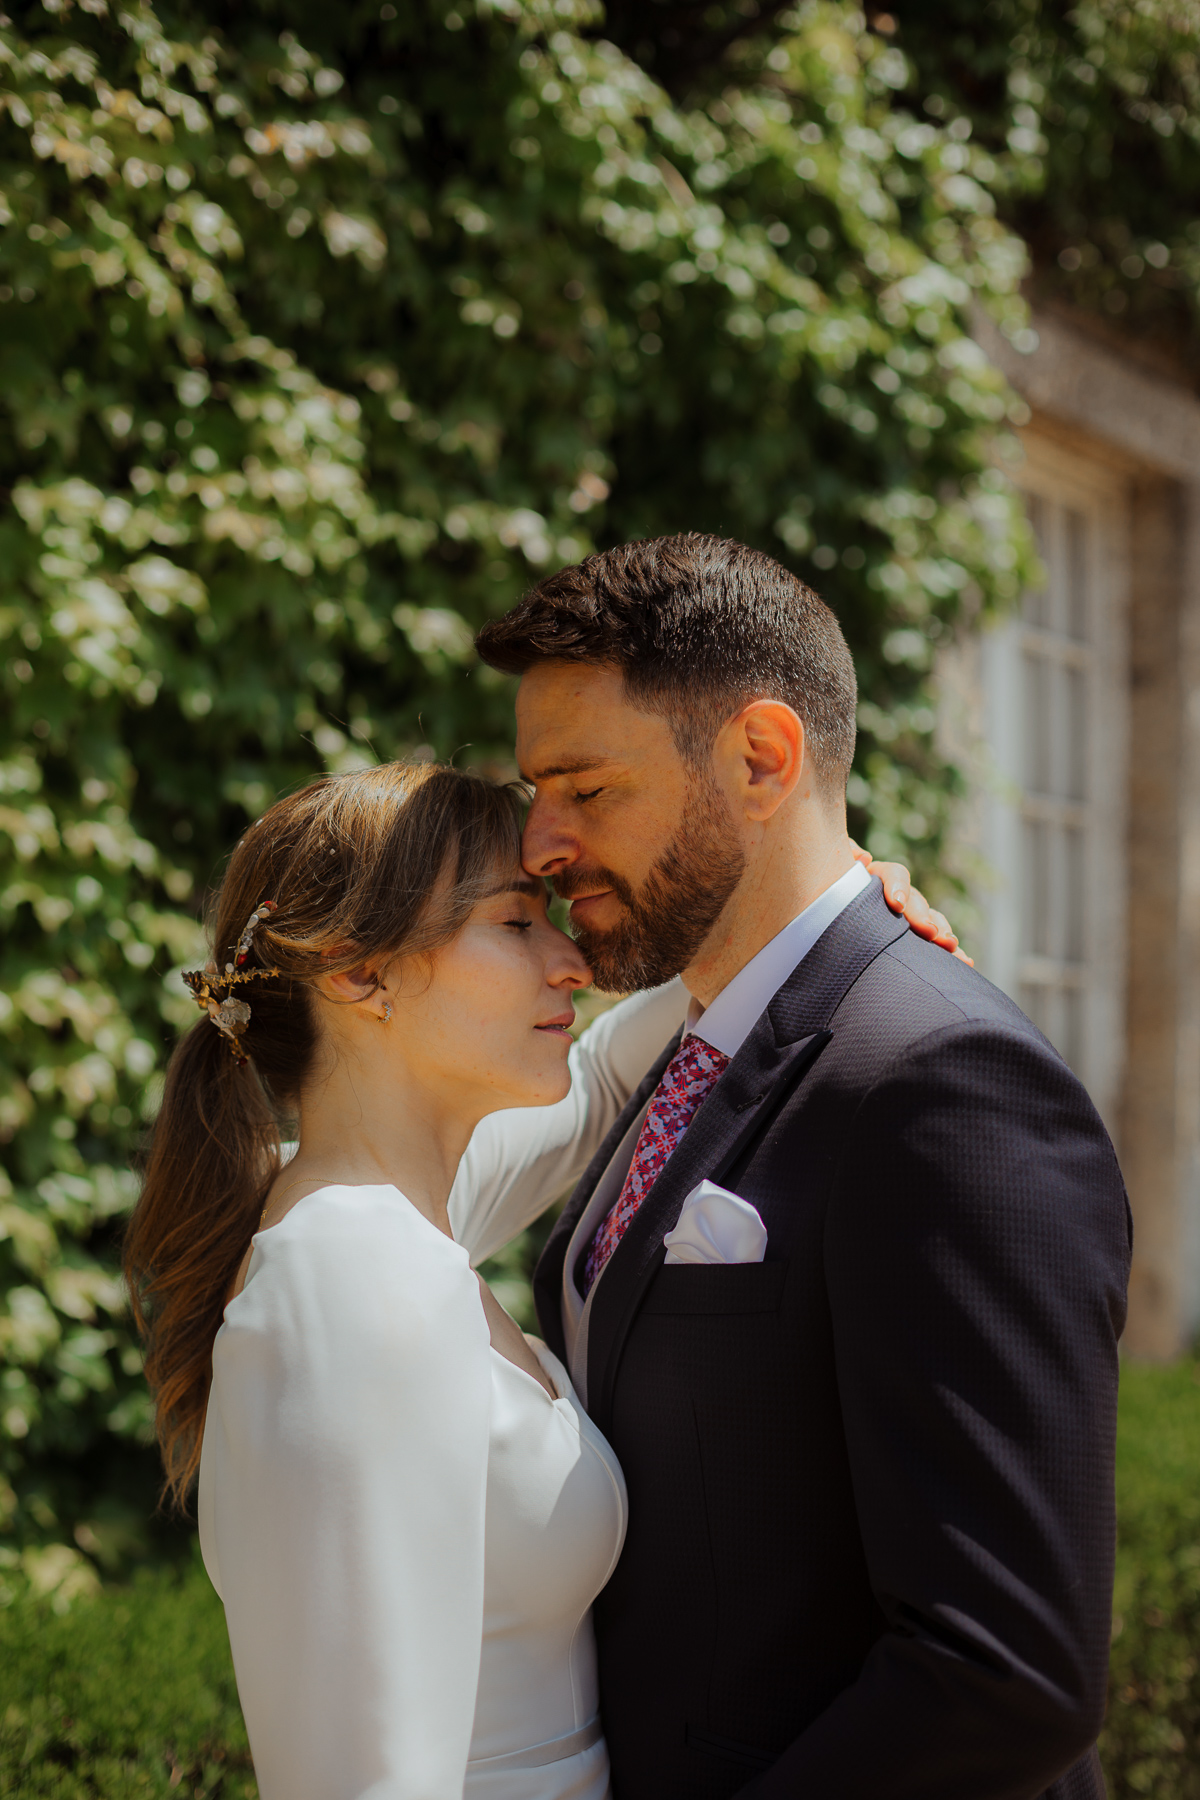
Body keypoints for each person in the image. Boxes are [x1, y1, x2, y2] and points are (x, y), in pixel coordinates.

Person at [123, 756, 940, 1799]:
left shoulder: (398, 1217)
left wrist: (827, 907)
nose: (572, 961)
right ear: (356, 972)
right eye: (516, 923)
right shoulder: (349, 1281)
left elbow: (606, 1080)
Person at [475, 532, 1132, 1800]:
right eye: (534, 791)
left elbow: (1005, 1674)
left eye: (585, 788)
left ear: (763, 759)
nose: (539, 844)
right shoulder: (687, 1046)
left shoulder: (947, 1082)